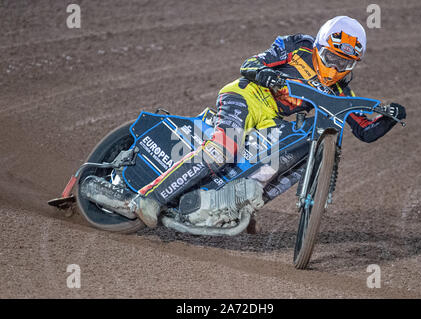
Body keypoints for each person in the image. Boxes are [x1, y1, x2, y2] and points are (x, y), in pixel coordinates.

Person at [135, 15, 407, 228]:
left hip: (270, 119)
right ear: (319, 47)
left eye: (345, 63)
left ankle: (234, 205)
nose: (336, 68)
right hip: (245, 96)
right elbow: (249, 65)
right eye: (331, 58)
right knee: (224, 149)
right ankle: (151, 197)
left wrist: (391, 117)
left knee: (287, 160)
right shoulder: (297, 46)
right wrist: (266, 75)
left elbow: (365, 131)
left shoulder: (341, 92)